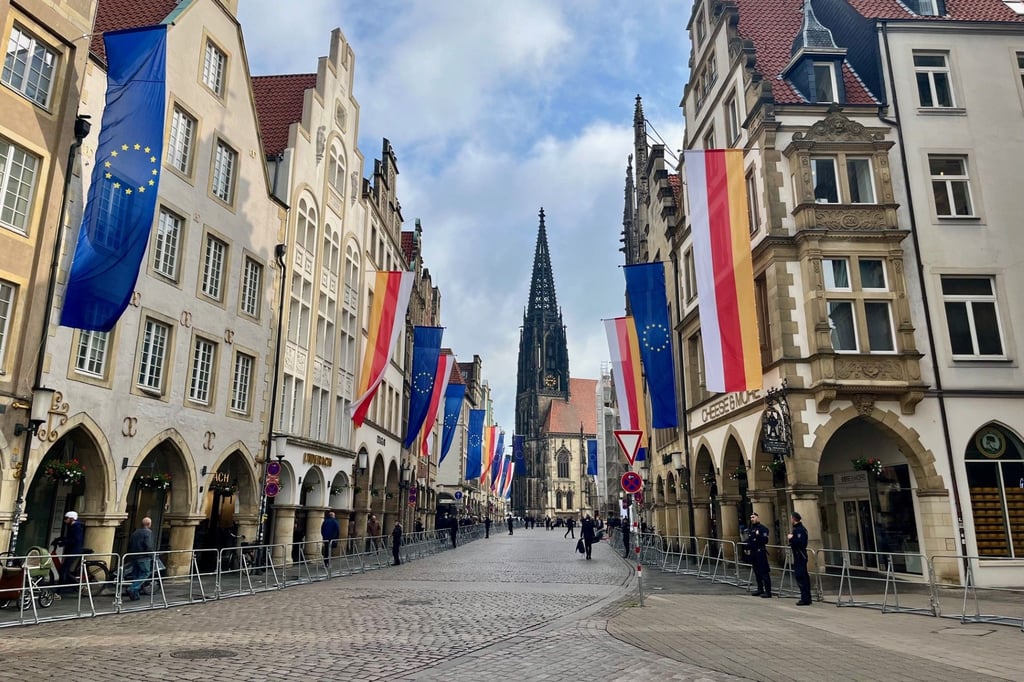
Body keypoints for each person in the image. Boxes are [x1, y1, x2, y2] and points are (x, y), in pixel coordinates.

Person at [126, 517, 154, 601]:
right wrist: (151, 554)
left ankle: (135, 595)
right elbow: (148, 545)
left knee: (136, 575)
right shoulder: (148, 533)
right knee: (145, 573)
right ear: (149, 524)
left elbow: (130, 543)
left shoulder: (135, 532)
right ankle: (132, 588)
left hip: (134, 556)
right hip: (143, 556)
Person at [788, 511, 812, 606]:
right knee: (801, 576)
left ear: (794, 519)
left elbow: (800, 543)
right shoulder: (797, 529)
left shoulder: (800, 530)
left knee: (801, 576)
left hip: (800, 555)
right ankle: (805, 597)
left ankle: (805, 598)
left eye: (791, 518)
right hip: (798, 554)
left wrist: (791, 538)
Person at [747, 512, 772, 598]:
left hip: (760, 552)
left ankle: (768, 591)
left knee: (764, 572)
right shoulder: (751, 529)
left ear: (758, 518)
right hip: (753, 553)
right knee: (757, 572)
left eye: (753, 517)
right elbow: (750, 541)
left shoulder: (763, 529)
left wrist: (758, 536)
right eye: (751, 518)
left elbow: (765, 540)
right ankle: (760, 588)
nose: (752, 519)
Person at [58, 511, 86, 586]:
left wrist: (63, 542)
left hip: (75, 550)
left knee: (64, 569)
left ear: (72, 519)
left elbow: (75, 539)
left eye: (66, 518)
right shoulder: (73, 526)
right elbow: (70, 537)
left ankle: (74, 585)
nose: (65, 520)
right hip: (72, 549)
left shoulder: (76, 526)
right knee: (65, 568)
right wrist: (60, 539)